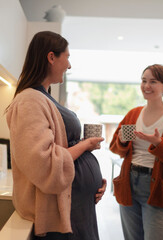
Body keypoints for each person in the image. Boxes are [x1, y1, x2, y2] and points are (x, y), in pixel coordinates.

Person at [6, 31, 107, 240]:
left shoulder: (43, 97)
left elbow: (62, 151)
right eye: (67, 57)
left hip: (75, 204)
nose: (69, 66)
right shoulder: (29, 101)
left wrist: (92, 182)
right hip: (59, 214)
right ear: (51, 57)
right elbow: (44, 162)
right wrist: (86, 145)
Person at [109, 64, 163, 240]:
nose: (146, 86)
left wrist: (159, 144)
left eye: (153, 82)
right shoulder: (134, 113)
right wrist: (123, 141)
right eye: (143, 80)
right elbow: (114, 147)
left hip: (157, 188)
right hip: (129, 182)